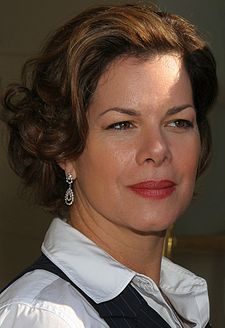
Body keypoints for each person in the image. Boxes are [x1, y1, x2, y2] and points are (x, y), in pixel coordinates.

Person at [0, 3, 217, 328]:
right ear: (64, 150)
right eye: (122, 125)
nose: (157, 150)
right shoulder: (48, 316)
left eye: (178, 122)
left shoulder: (175, 299)